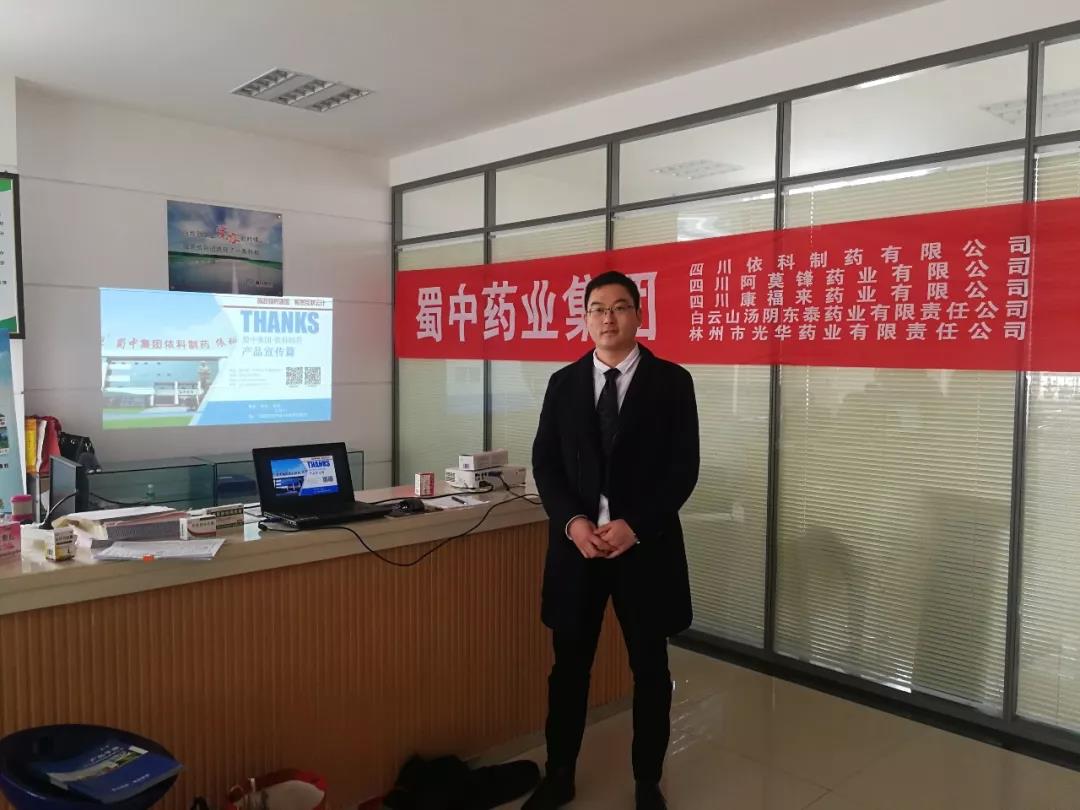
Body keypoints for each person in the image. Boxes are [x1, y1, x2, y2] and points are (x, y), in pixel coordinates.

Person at [525, 271, 700, 810]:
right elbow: (546, 464)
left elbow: (683, 469)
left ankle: (647, 781)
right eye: (597, 308)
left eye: (620, 307)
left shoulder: (672, 382)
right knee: (568, 670)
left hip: (643, 550)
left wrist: (635, 524)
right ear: (585, 319)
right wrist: (573, 522)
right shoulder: (563, 383)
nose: (608, 318)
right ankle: (559, 775)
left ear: (638, 316)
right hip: (578, 550)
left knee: (650, 670)